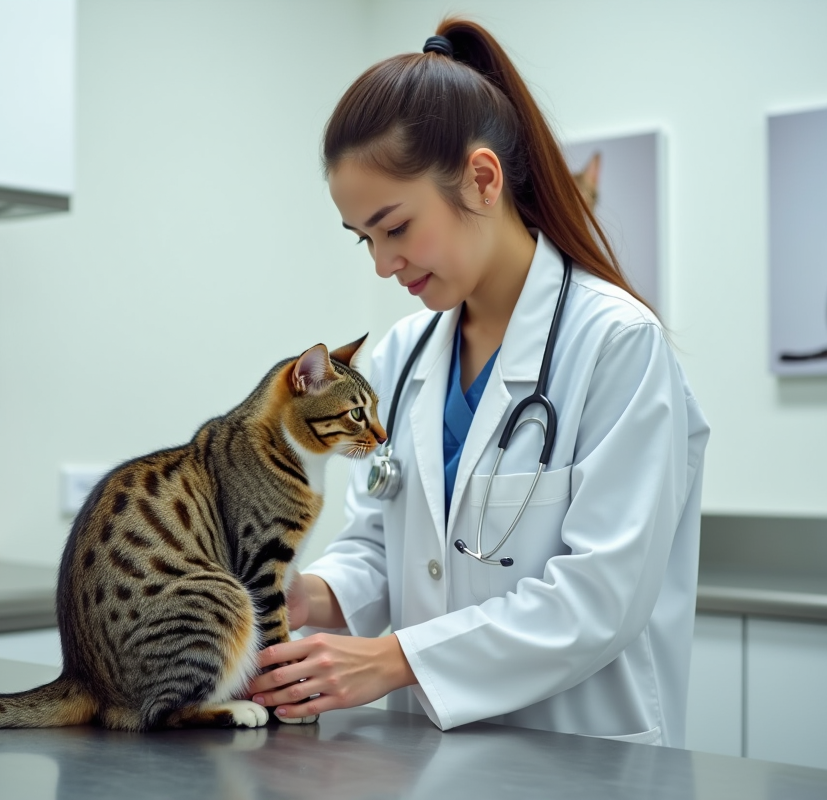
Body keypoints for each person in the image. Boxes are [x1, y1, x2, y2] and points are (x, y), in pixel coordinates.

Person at [246, 17, 709, 746]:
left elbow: (599, 598)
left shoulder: (616, 344)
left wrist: (394, 659)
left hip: (581, 758)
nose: (380, 264)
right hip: (427, 757)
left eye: (395, 227)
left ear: (483, 179)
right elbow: (379, 541)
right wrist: (311, 596)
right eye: (364, 238)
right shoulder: (401, 357)